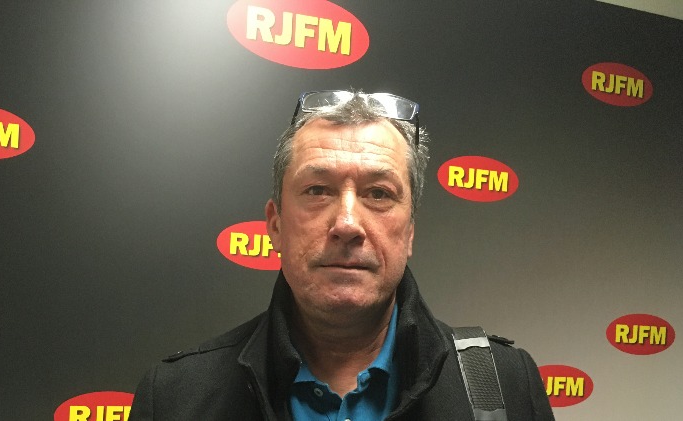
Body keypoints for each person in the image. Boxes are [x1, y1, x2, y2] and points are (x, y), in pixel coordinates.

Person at [129, 90, 554, 420]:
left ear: (409, 231)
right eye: (317, 190)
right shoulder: (174, 399)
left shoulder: (505, 386)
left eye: (378, 194)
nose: (347, 223)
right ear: (275, 225)